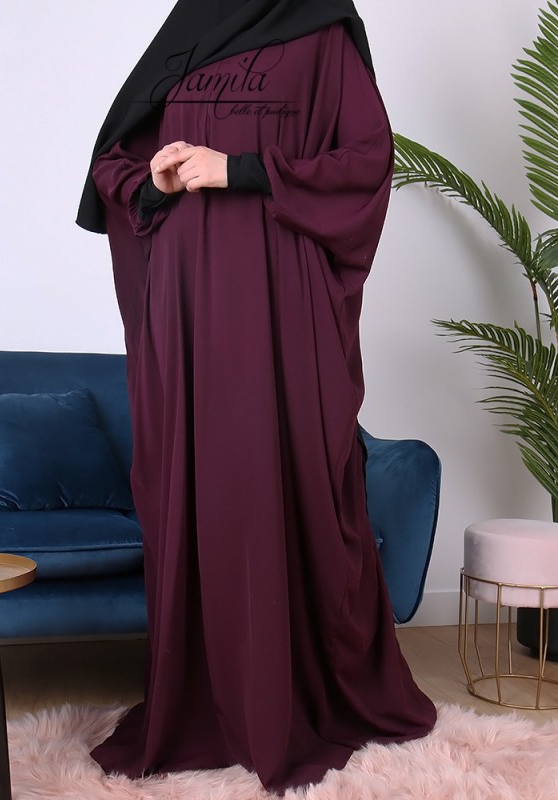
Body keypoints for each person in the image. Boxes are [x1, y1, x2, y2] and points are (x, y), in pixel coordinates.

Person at [76, 0, 436, 792]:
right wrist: (154, 181)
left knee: (279, 470)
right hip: (186, 304)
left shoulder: (321, 30)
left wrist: (236, 168)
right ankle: (204, 700)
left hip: (280, 294)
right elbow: (112, 162)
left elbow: (366, 158)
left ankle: (290, 696)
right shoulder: (188, 30)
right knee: (201, 482)